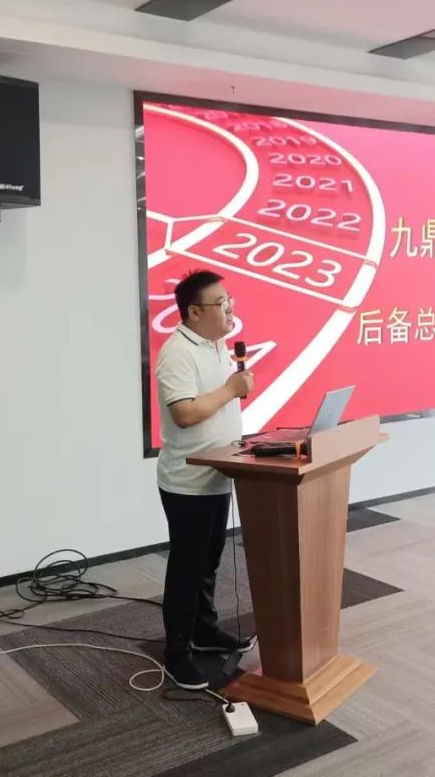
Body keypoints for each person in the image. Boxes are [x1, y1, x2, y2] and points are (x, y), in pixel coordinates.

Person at [155, 269, 256, 690]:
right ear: (194, 312)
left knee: (209, 561)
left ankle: (204, 630)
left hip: (219, 472)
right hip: (188, 481)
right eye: (221, 303)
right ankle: (177, 651)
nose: (230, 309)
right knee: (187, 566)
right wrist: (231, 390)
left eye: (230, 301)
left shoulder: (216, 346)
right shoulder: (177, 352)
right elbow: (184, 413)